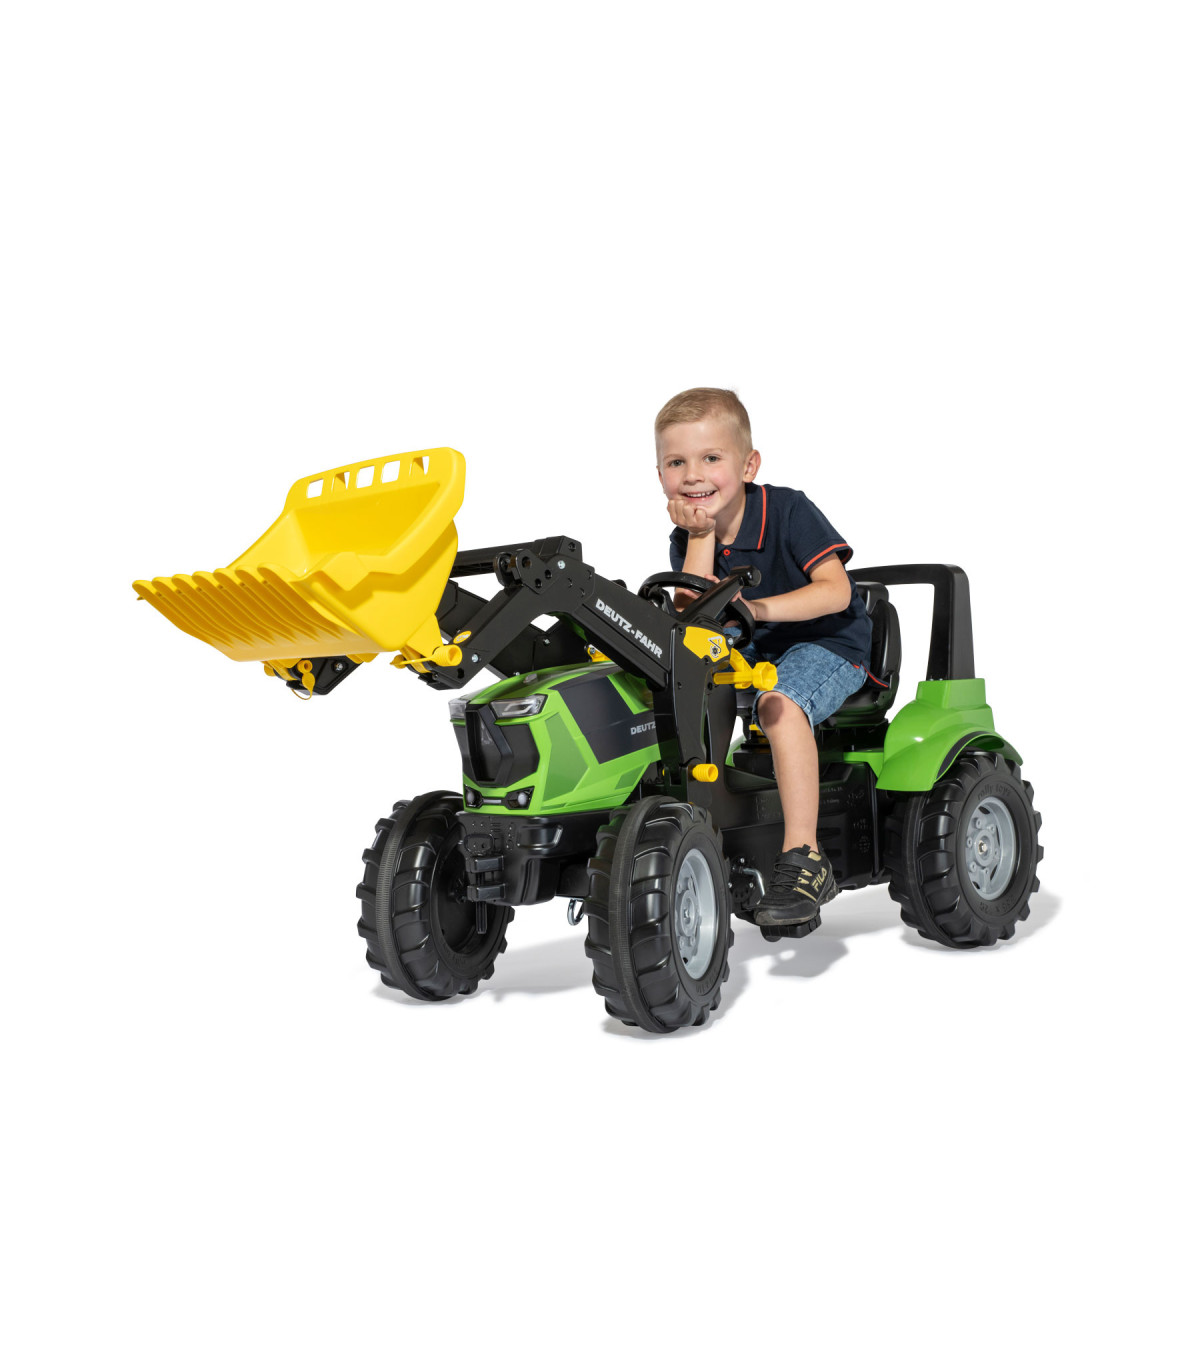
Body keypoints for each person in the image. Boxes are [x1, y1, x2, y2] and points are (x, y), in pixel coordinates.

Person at [656, 387, 873, 932]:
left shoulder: (788, 510)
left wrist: (757, 609)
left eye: (711, 458)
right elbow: (691, 616)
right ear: (659, 474)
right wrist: (700, 534)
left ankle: (805, 857)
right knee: (678, 688)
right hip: (751, 651)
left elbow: (836, 592)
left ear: (749, 465)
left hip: (827, 644)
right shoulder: (688, 537)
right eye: (676, 463)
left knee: (778, 704)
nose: (692, 475)